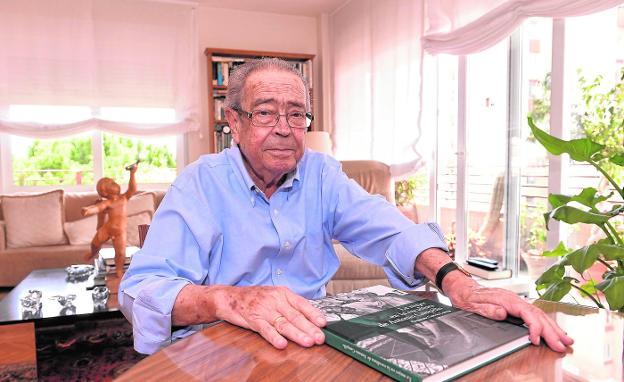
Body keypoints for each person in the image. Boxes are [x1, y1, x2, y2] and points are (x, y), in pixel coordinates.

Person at [119, 58, 573, 355]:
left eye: (296, 114)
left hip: (312, 342)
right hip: (220, 347)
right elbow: (139, 290)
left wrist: (458, 282)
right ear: (233, 123)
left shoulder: (321, 173)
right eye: (265, 112)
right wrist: (226, 298)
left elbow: (393, 230)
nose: (284, 128)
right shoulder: (199, 183)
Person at [82, 162, 139, 277]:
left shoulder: (124, 198)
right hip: (108, 229)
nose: (114, 183)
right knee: (95, 243)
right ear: (105, 192)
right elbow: (98, 208)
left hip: (119, 232)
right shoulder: (107, 202)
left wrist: (132, 174)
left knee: (121, 253)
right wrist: (88, 210)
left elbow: (132, 189)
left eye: (113, 182)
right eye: (110, 183)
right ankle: (93, 253)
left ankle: (119, 270)